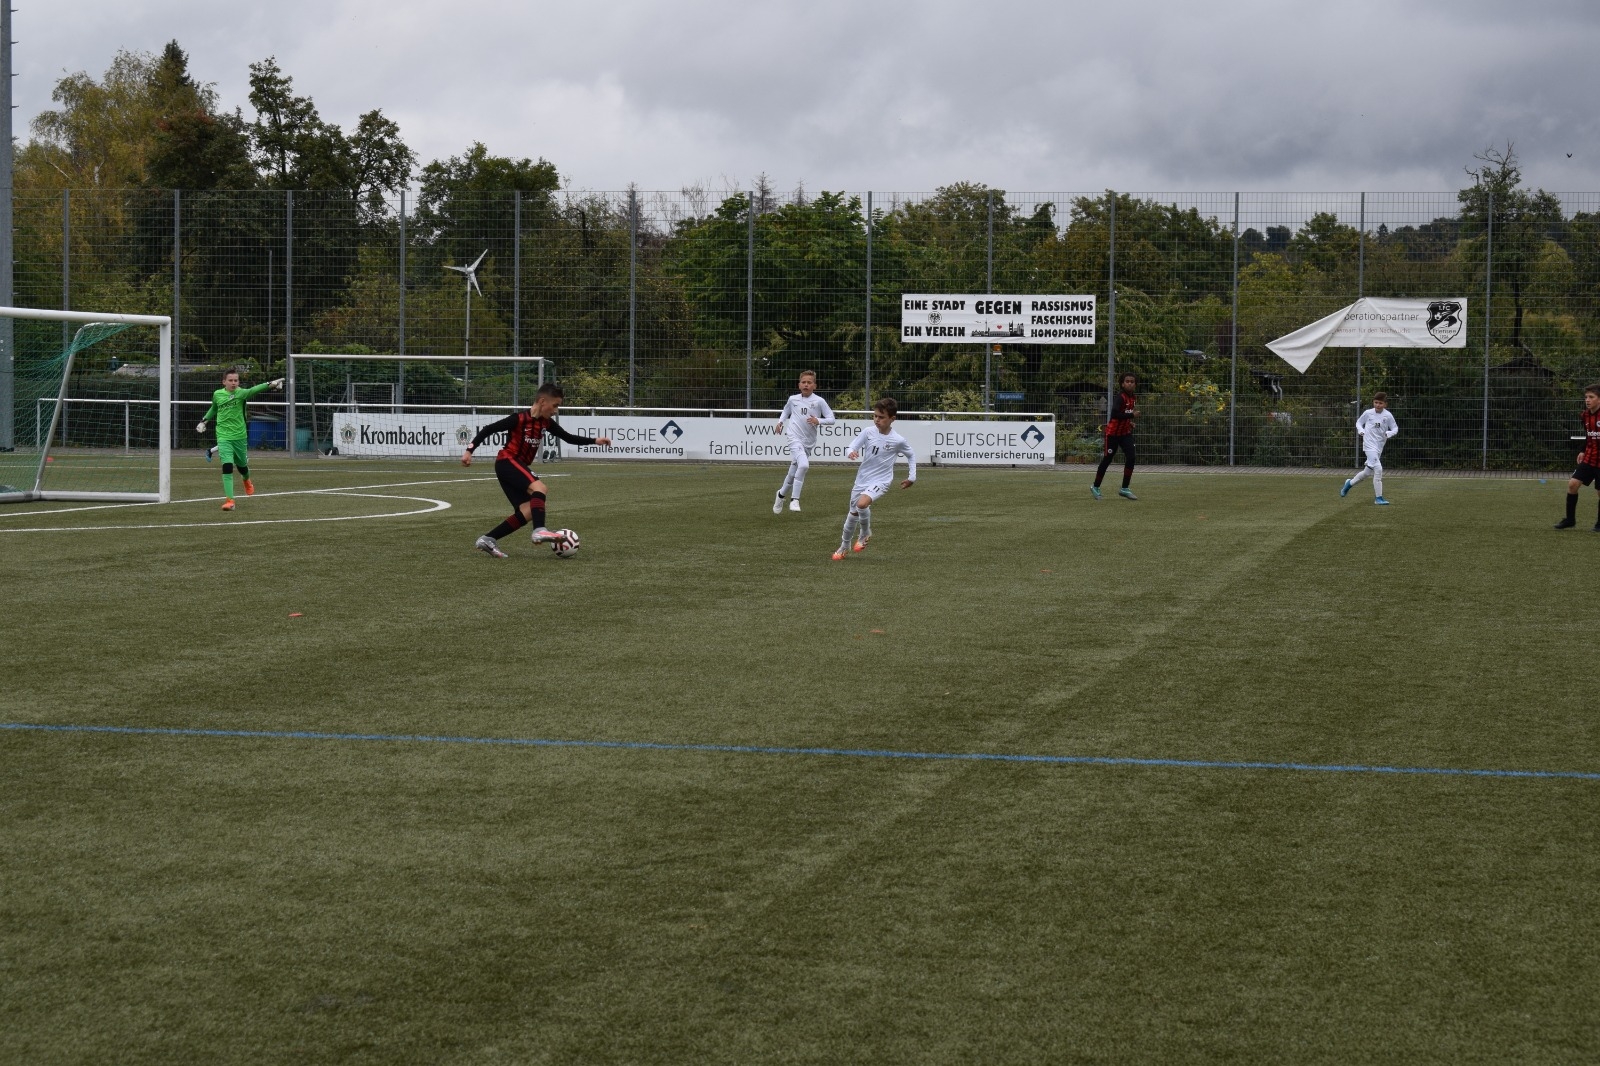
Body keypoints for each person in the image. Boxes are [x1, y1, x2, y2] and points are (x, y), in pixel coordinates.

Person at [461, 382, 612, 558]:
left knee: (528, 510)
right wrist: (469, 451)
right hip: (507, 461)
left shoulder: (546, 423)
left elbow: (568, 437)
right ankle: (539, 530)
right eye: (555, 405)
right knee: (540, 488)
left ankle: (488, 539)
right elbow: (489, 429)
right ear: (542, 401)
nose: (556, 410)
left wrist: (595, 441)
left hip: (513, 466)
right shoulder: (518, 419)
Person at [832, 397, 915, 561]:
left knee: (862, 504)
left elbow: (911, 455)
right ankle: (844, 546)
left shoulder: (898, 440)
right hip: (862, 479)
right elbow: (851, 446)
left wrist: (912, 477)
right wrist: (851, 452)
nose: (877, 420)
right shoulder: (868, 432)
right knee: (852, 514)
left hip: (881, 480)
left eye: (881, 417)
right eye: (875, 416)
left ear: (892, 419)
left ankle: (865, 533)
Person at [196, 369, 283, 511]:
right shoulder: (217, 394)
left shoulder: (241, 393)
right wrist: (203, 421)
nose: (233, 383)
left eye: (236, 380)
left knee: (242, 467)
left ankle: (246, 480)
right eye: (230, 380)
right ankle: (230, 501)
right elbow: (214, 408)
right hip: (223, 436)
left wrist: (270, 384)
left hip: (239, 437)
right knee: (227, 466)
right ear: (224, 382)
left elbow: (254, 390)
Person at [773, 370, 836, 513]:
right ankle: (794, 500)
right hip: (793, 436)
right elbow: (786, 411)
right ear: (799, 385)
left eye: (809, 382)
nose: (806, 384)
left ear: (815, 386)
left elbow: (831, 419)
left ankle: (780, 495)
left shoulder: (819, 401)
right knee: (804, 465)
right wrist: (780, 422)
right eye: (803, 382)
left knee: (793, 472)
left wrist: (818, 420)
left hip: (809, 441)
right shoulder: (793, 399)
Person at [1554, 383, 1600, 530]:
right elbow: (1589, 436)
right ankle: (1570, 520)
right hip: (1589, 458)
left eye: (1591, 397)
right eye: (1586, 397)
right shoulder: (1584, 415)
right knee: (1573, 484)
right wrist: (1582, 450)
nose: (1587, 400)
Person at [1340, 391, 1399, 505]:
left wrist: (1389, 433)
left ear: (1385, 404)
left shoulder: (1388, 415)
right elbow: (1359, 422)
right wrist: (1361, 430)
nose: (1378, 405)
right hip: (1368, 445)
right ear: (1373, 402)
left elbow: (1395, 428)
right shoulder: (1368, 413)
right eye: (1376, 402)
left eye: (1380, 403)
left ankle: (1349, 484)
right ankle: (1379, 498)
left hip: (1379, 447)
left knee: (1367, 473)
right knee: (1378, 469)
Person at [1092, 372, 1139, 500]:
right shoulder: (1120, 397)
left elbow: (1124, 414)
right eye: (1127, 381)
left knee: (1131, 457)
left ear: (1135, 384)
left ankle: (1124, 488)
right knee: (1107, 460)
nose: (1130, 383)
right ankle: (1095, 487)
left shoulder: (1133, 398)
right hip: (1112, 434)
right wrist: (1131, 416)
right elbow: (1114, 414)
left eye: (1132, 381)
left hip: (1125, 433)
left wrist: (1129, 422)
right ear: (1122, 384)